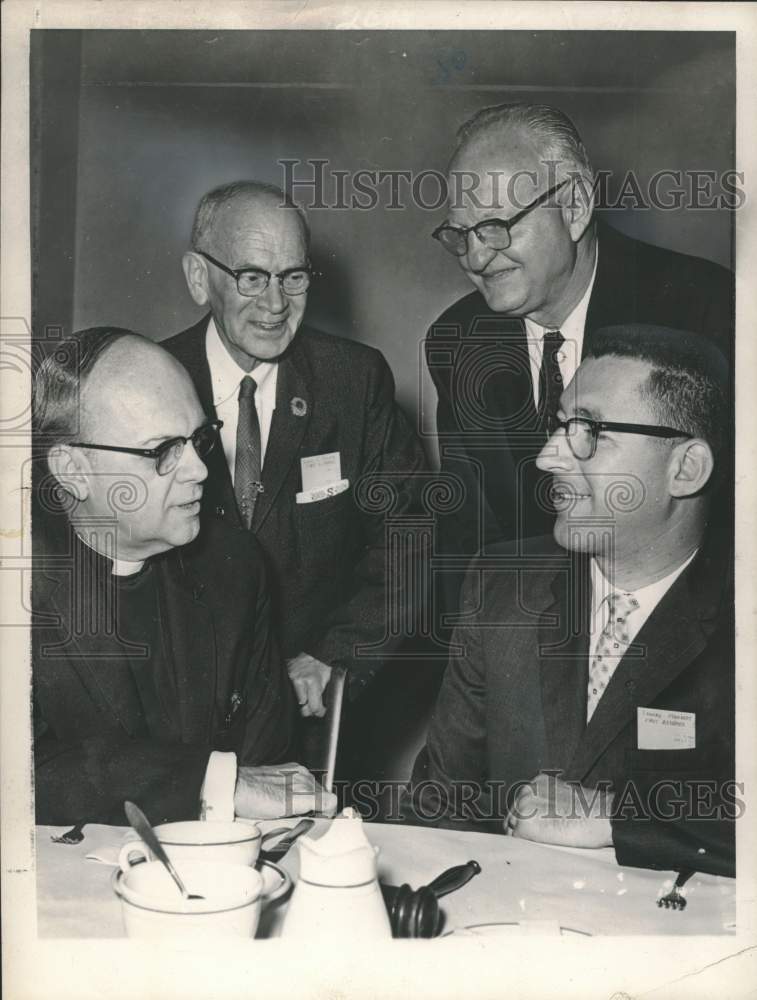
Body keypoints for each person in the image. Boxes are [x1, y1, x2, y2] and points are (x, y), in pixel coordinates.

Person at [408, 325, 735, 877]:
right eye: (559, 426)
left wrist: (617, 821)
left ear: (686, 468)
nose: (547, 458)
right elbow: (440, 806)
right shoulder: (501, 584)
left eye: (590, 433)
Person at [426, 102, 733, 619]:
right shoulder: (456, 340)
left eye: (497, 227)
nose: (476, 259)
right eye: (461, 235)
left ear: (574, 207)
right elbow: (470, 537)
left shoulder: (705, 309)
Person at [32, 327, 335, 826]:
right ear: (72, 469)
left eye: (199, 439)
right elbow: (18, 775)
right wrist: (214, 783)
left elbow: (268, 764)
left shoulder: (234, 564)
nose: (199, 469)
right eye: (162, 452)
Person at [163, 181, 428, 719]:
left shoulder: (353, 382)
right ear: (199, 277)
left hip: (307, 709)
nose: (276, 303)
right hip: (177, 714)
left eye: (294, 277)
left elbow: (409, 537)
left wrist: (336, 655)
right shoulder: (149, 384)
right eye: (252, 277)